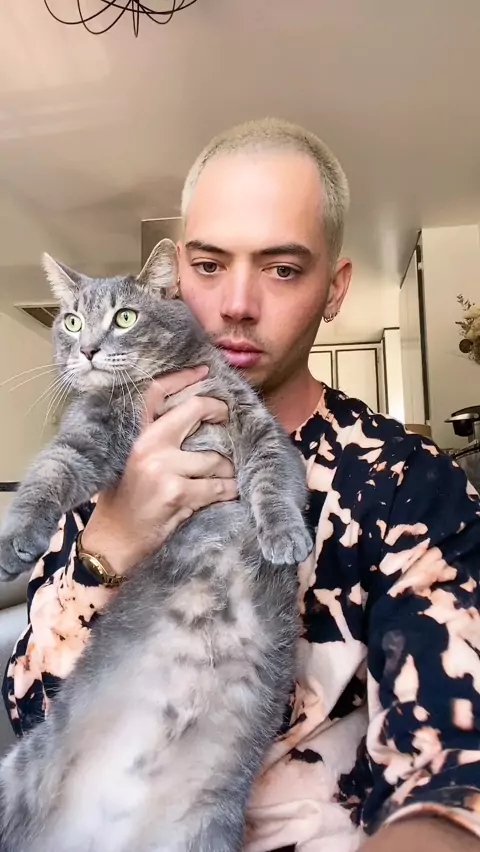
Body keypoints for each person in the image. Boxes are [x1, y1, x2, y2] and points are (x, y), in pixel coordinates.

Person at [3, 119, 480, 852]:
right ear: (176, 275)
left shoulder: (409, 484)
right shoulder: (115, 455)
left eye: (283, 269)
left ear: (334, 289)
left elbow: (454, 772)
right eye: (208, 264)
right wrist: (113, 541)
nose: (236, 304)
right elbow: (34, 711)